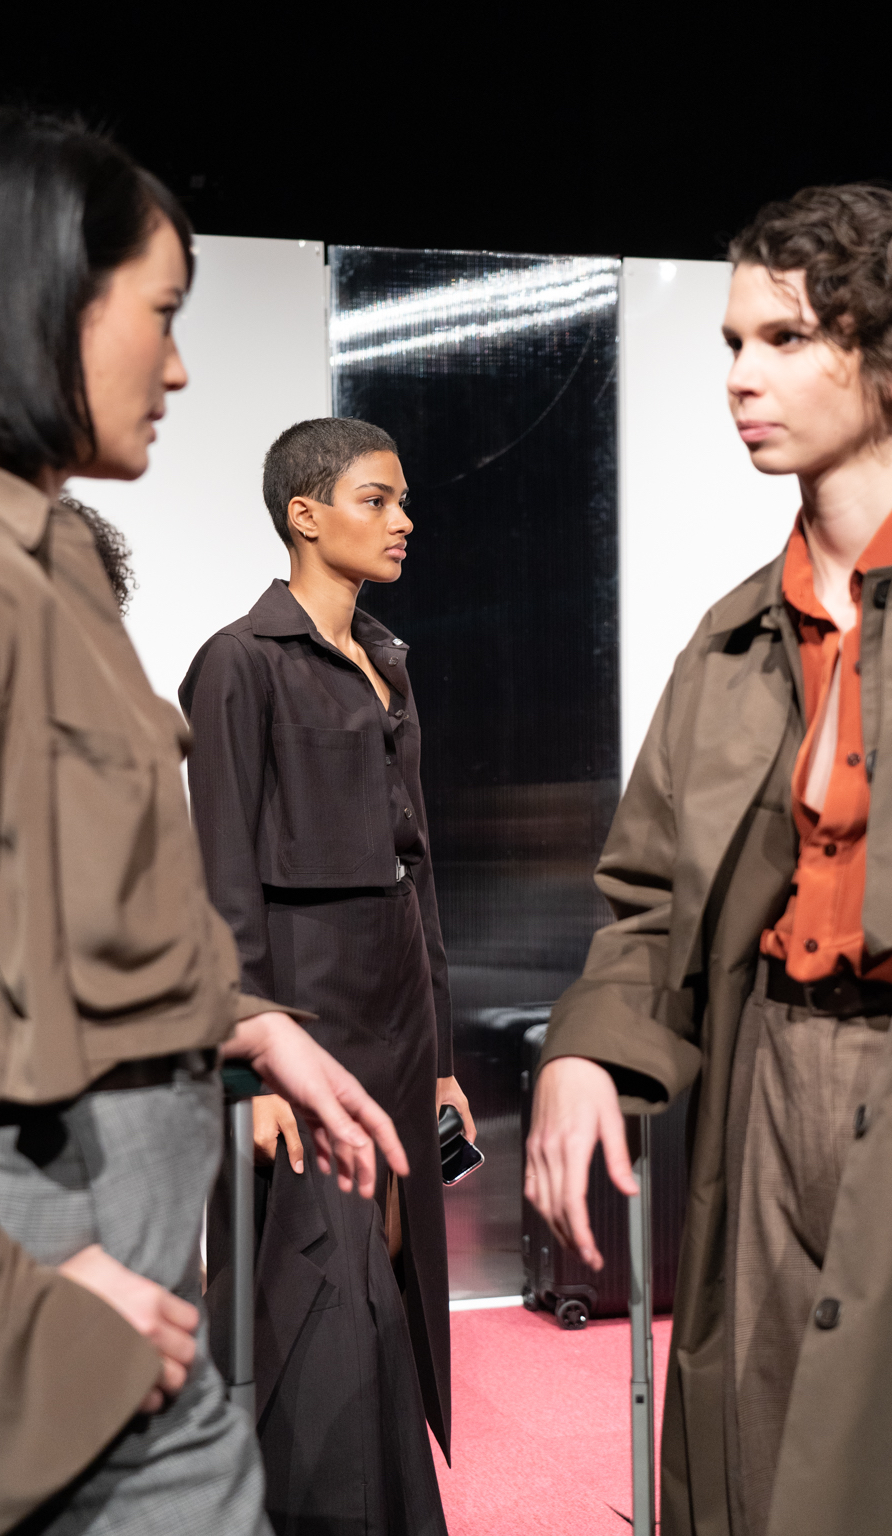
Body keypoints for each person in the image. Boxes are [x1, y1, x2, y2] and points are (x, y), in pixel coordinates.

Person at [0, 110, 408, 1536]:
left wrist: (244, 1024)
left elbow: (33, 915)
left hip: (117, 1271)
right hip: (36, 1271)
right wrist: (15, 1298)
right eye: (159, 316)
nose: (177, 368)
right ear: (42, 299)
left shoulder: (38, 560)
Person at [525, 183, 892, 1536]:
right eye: (733, 342)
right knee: (759, 1449)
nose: (741, 377)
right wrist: (582, 1052)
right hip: (769, 1081)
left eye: (785, 339)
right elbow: (646, 899)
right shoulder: (730, 643)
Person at [180, 417, 474, 1535]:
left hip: (397, 1024)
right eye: (375, 500)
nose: (403, 522)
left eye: (402, 501)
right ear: (304, 515)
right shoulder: (239, 663)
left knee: (390, 1281)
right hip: (301, 1032)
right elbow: (218, 879)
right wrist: (251, 1065)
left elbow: (420, 872)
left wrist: (441, 1062)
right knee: (312, 1295)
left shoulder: (388, 664)